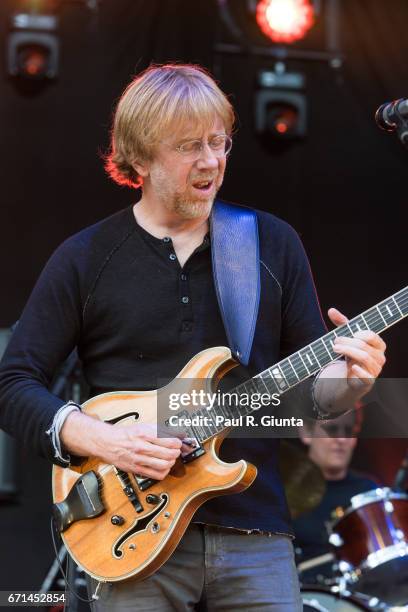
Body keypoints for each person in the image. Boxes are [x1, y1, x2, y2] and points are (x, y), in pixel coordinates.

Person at [0, 64, 386, 611]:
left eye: (218, 141)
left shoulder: (270, 244)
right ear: (138, 157)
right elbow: (12, 383)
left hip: (255, 535)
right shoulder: (85, 258)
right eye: (188, 147)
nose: (211, 161)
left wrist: (349, 381)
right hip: (128, 538)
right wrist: (100, 438)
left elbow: (305, 398)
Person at [293, 411, 378, 585]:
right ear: (306, 433)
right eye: (331, 429)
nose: (341, 439)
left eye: (348, 431)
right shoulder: (285, 490)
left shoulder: (368, 491)